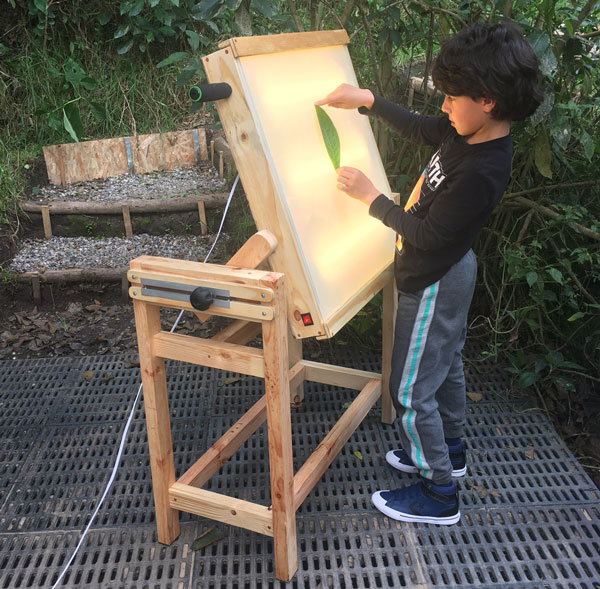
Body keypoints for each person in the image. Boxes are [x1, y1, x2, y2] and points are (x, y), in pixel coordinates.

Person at [315, 22, 542, 525]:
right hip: (448, 271)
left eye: (451, 98)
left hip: (435, 278)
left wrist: (372, 198)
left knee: (410, 391)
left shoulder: (483, 169)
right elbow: (421, 127)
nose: (443, 106)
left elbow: (428, 235)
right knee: (446, 364)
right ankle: (451, 452)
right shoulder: (467, 131)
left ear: (486, 100)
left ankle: (439, 491)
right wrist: (368, 100)